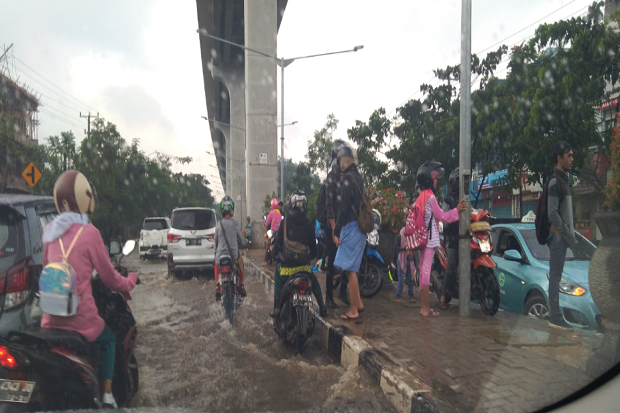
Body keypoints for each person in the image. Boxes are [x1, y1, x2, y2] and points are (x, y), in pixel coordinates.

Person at [41, 170, 138, 408]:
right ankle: (107, 394)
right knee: (108, 340)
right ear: (84, 199)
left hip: (49, 320)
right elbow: (111, 280)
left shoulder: (50, 232)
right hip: (81, 321)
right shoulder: (90, 233)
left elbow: (46, 268)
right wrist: (131, 280)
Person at [414, 162, 466, 317]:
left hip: (421, 238)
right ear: (429, 180)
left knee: (423, 270)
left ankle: (424, 307)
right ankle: (425, 308)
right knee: (425, 271)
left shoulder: (420, 197)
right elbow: (442, 216)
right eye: (435, 178)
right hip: (429, 239)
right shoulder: (430, 197)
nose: (437, 182)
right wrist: (456, 210)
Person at [270, 190, 328, 318]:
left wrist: (274, 255)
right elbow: (314, 250)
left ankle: (277, 308)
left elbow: (278, 244)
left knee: (278, 277)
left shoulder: (285, 223)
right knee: (314, 281)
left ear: (291, 204)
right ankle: (322, 307)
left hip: (286, 269)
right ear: (305, 206)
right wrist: (308, 257)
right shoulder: (308, 224)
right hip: (304, 269)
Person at [333, 144, 366, 320]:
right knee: (350, 268)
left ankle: (353, 310)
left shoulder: (347, 179)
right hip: (359, 229)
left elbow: (343, 207)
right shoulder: (358, 177)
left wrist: (336, 230)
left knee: (349, 269)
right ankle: (358, 303)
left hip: (351, 227)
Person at [546, 140, 576, 330]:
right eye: (569, 156)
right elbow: (552, 213)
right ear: (560, 158)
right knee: (556, 277)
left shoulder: (564, 180)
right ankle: (555, 317)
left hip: (562, 236)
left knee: (558, 276)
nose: (572, 159)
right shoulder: (556, 182)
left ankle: (557, 315)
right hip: (558, 237)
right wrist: (565, 233)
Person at [323, 139, 349, 308]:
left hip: (346, 225)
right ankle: (329, 297)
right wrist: (334, 231)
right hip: (332, 225)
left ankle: (343, 290)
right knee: (331, 261)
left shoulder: (346, 175)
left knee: (348, 260)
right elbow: (330, 206)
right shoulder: (331, 178)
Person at [214, 195, 248, 301]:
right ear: (232, 209)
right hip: (233, 256)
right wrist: (246, 242)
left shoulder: (218, 225)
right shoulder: (236, 224)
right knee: (241, 260)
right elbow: (242, 241)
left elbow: (216, 242)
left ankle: (217, 285)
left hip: (220, 257)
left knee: (215, 264)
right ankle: (241, 285)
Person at [440, 167, 460, 309]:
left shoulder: (465, 198)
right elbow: (445, 220)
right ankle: (442, 297)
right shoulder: (448, 201)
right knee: (451, 265)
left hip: (466, 238)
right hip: (452, 239)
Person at [395, 227, 416, 303]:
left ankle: (410, 296)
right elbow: (396, 248)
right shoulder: (400, 236)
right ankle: (397, 296)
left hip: (409, 259)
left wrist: (412, 253)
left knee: (410, 279)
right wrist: (403, 247)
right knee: (402, 279)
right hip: (401, 259)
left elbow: (414, 247)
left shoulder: (412, 235)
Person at [265, 198, 282, 262]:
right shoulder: (279, 213)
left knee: (267, 244)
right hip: (279, 232)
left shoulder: (271, 212)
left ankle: (265, 260)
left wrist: (266, 225)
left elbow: (267, 223)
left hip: (272, 231)